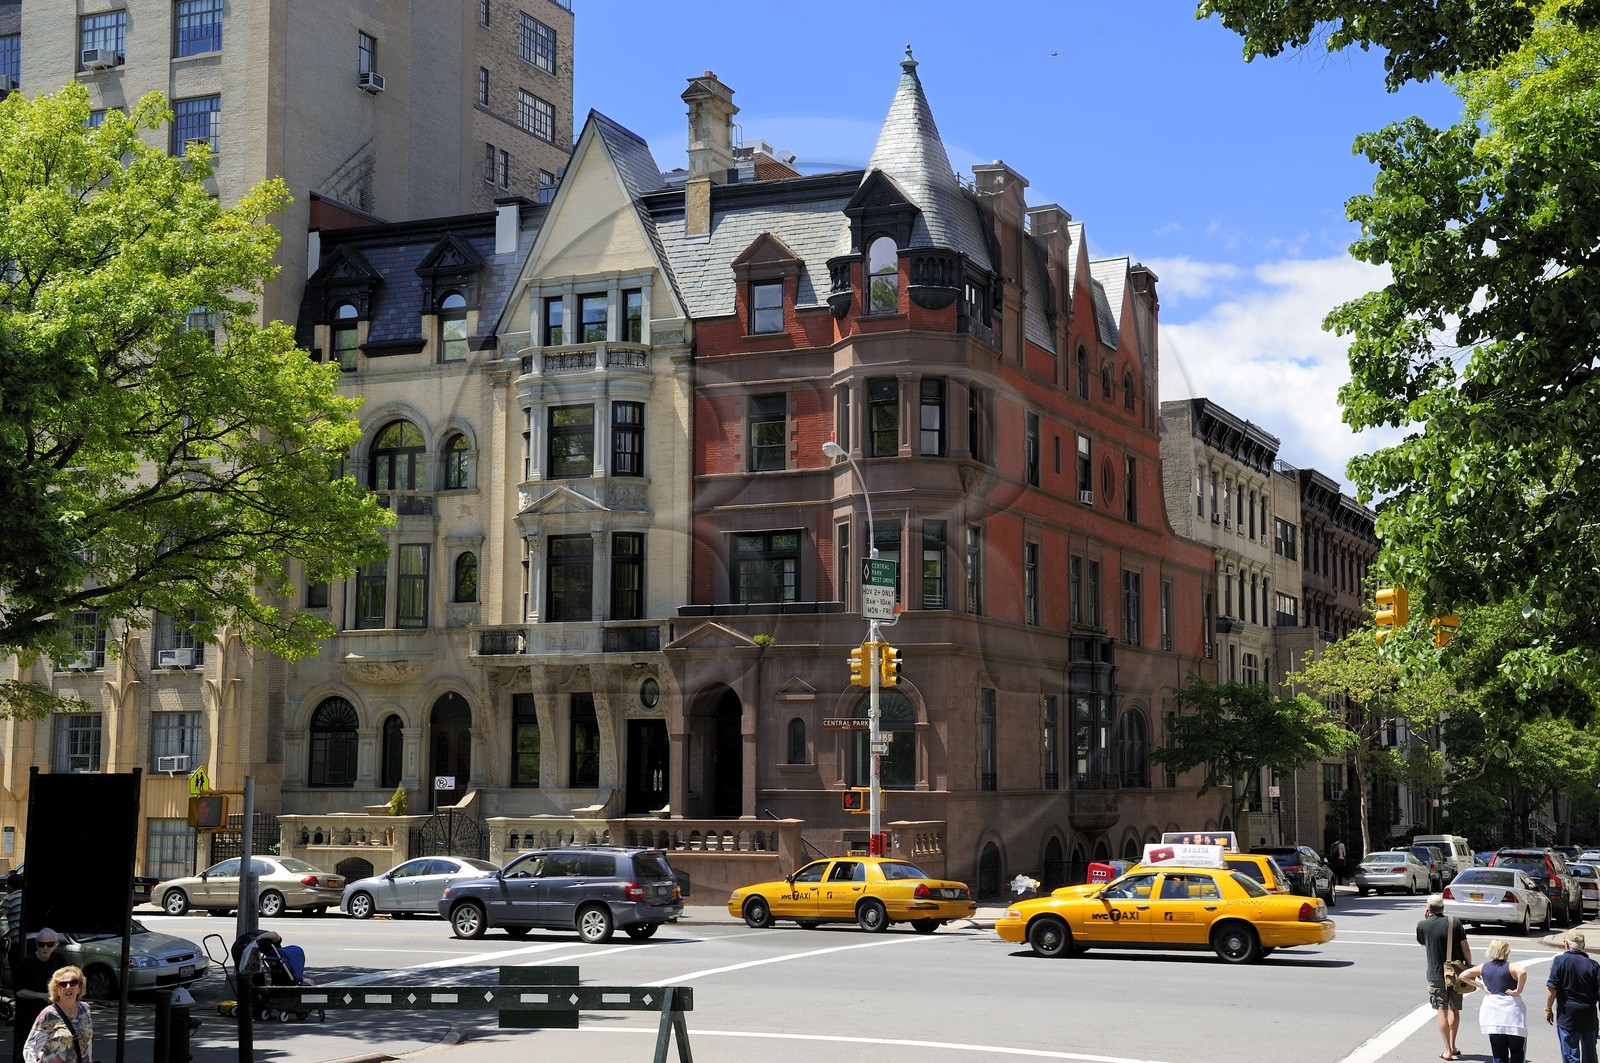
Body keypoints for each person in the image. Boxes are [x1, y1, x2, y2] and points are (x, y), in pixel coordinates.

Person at [1418, 893, 1472, 1060]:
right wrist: (1469, 966)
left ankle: (1447, 1050)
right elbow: (1465, 948)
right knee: (1454, 1008)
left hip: (1436, 973)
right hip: (1455, 973)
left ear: (1428, 909)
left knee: (1442, 1010)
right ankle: (1453, 1046)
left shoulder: (1422, 925)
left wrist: (1426, 919)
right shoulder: (1454, 922)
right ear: (1443, 907)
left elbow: (1424, 943)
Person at [1459, 937, 1529, 1063]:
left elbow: (1463, 975)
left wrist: (1481, 986)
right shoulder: (1511, 967)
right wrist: (1518, 990)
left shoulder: (1484, 967)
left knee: (1498, 1053)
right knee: (1517, 1051)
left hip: (1493, 1015)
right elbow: (1522, 972)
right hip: (1512, 1015)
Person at [1546, 931, 1600, 1063]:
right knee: (1590, 1055)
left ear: (1566, 944)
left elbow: (1552, 988)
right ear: (1583, 946)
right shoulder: (1593, 965)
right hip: (1589, 1016)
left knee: (1570, 1056)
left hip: (1567, 1016)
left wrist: (1548, 1009)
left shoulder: (1559, 961)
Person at [21, 964, 91, 1063]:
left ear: (79, 987)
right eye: (63, 984)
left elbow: (88, 1044)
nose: (68, 987)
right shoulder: (49, 1014)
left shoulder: (84, 1009)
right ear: (57, 990)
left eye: (73, 983)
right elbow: (30, 1047)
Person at [13, 930, 68, 1035]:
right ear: (36, 944)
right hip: (29, 1015)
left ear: (56, 945)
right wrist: (42, 995)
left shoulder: (59, 960)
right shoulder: (26, 963)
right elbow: (19, 991)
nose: (45, 948)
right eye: (41, 944)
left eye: (50, 944)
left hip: (54, 1014)